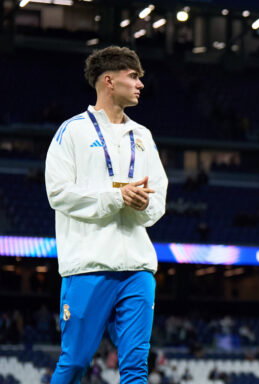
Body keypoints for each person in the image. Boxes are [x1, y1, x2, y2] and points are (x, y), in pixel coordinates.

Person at [45, 46, 168, 383]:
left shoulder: (143, 137)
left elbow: (159, 196)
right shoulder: (72, 132)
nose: (141, 84)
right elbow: (58, 193)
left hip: (138, 267)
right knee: (75, 363)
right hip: (89, 265)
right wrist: (117, 197)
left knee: (135, 368)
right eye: (134, 77)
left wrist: (145, 205)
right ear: (109, 81)